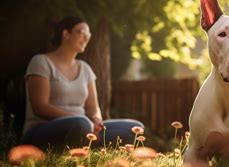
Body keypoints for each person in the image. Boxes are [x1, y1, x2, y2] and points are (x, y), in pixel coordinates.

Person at [22, 16, 144, 151]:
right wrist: (82, 121)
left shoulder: (85, 69)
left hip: (85, 127)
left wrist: (96, 121)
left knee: (134, 128)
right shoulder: (41, 62)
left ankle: (87, 149)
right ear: (66, 34)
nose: (87, 38)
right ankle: (78, 151)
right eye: (82, 32)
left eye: (89, 34)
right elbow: (40, 107)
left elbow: (93, 108)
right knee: (81, 124)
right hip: (42, 130)